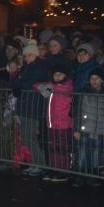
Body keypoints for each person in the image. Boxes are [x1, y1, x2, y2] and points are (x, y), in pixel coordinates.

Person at [72, 67, 104, 186]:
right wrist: (76, 129)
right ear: (88, 80)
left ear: (102, 80)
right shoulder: (83, 93)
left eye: (97, 78)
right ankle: (79, 176)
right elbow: (78, 111)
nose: (94, 80)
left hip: (100, 130)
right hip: (85, 129)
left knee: (95, 154)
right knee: (82, 153)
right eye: (92, 78)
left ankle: (92, 176)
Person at [15, 44, 50, 177]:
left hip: (33, 106)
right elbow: (20, 82)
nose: (27, 58)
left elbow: (30, 83)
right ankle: (36, 163)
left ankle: (40, 164)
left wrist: (20, 83)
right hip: (25, 105)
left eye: (29, 55)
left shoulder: (39, 67)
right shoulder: (27, 67)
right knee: (26, 137)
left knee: (30, 137)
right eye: (25, 55)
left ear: (35, 55)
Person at [35, 63, 74, 182]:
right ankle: (55, 168)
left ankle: (64, 170)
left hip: (63, 123)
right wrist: (46, 86)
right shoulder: (52, 86)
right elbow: (36, 85)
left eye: (60, 74)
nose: (57, 77)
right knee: (53, 147)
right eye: (55, 74)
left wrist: (49, 86)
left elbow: (62, 89)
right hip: (52, 122)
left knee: (63, 148)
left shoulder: (67, 86)